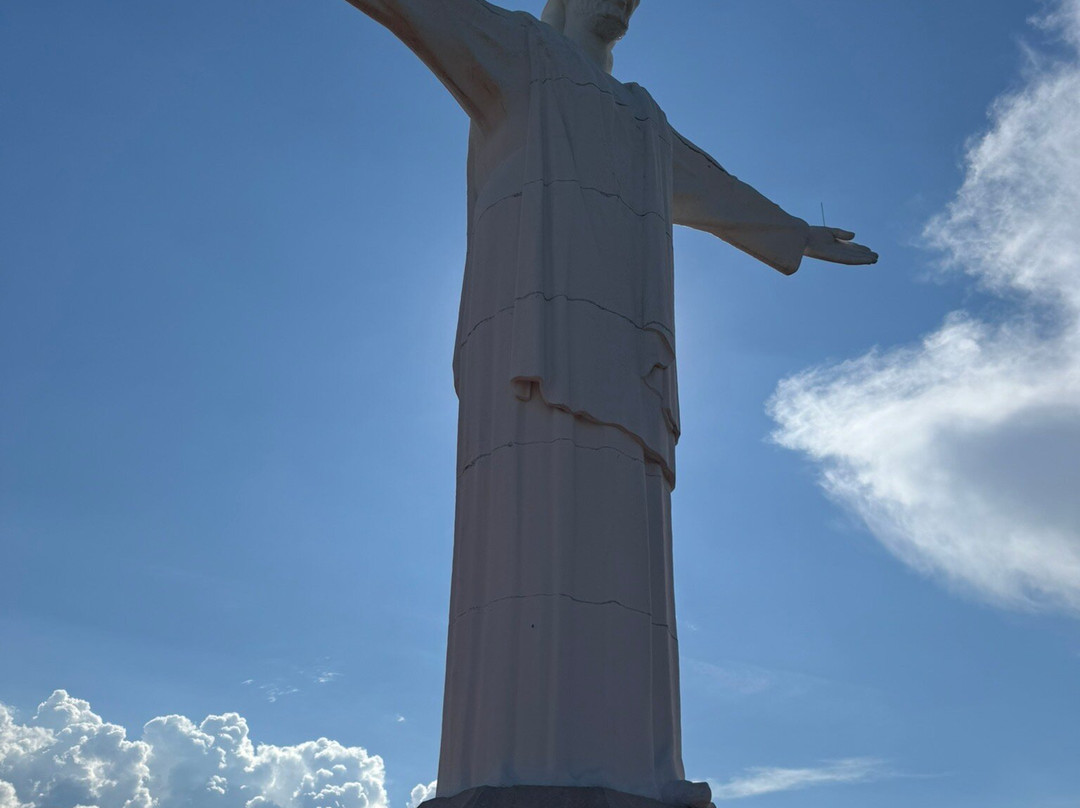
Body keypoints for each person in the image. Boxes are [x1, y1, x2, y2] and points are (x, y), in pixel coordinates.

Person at [343, 0, 878, 804]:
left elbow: (707, 185)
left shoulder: (641, 117)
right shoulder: (520, 54)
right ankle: (522, 770)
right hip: (535, 350)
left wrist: (793, 232)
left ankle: (635, 773)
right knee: (530, 538)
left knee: (623, 554)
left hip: (630, 362)